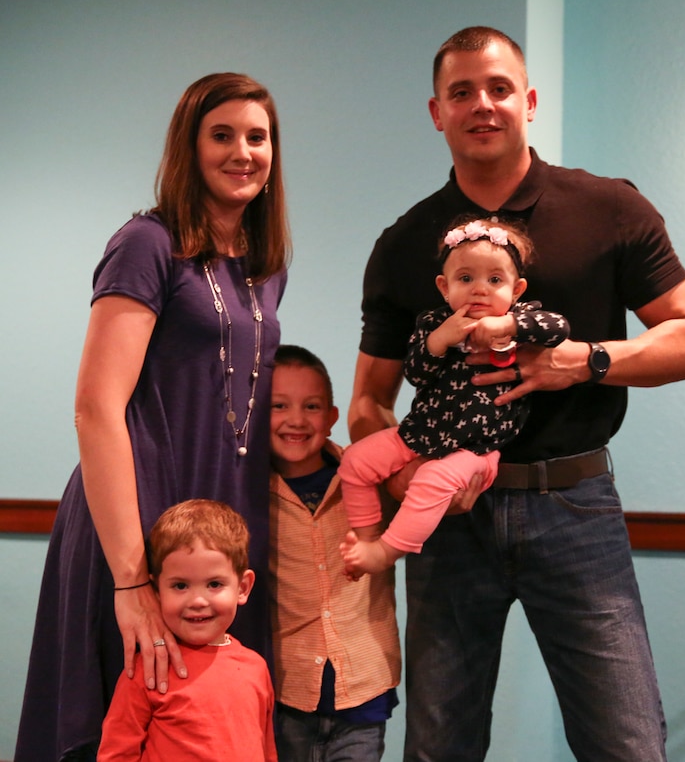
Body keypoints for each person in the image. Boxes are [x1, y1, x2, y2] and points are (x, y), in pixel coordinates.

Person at [349, 26, 685, 762]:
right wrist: (402, 475)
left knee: (628, 744)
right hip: (448, 524)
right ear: (436, 112)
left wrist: (586, 360)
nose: (481, 105)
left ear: (530, 101)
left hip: (574, 507)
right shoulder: (403, 241)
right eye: (461, 92)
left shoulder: (612, 208)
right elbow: (366, 403)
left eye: (498, 88)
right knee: (437, 747)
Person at [15, 72, 291, 762]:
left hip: (220, 527)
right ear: (188, 148)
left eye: (257, 137)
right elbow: (95, 407)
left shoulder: (264, 265)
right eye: (221, 135)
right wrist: (132, 577)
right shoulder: (148, 242)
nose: (242, 152)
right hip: (139, 521)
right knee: (125, 724)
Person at [339, 217, 569, 577]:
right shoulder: (433, 323)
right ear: (444, 287)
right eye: (466, 279)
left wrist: (510, 326)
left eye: (495, 280)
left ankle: (386, 553)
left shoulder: (521, 318)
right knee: (355, 460)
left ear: (517, 289)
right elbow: (415, 372)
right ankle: (368, 536)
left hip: (477, 450)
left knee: (432, 479)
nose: (480, 289)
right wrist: (439, 341)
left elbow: (558, 328)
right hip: (421, 433)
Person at [268, 345, 400, 762]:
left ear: (331, 417)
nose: (296, 419)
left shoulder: (368, 479)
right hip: (285, 696)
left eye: (311, 406)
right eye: (278, 405)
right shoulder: (248, 495)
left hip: (363, 692)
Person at [97, 498, 277, 761]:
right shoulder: (148, 669)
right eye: (180, 586)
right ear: (156, 591)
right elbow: (116, 754)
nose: (197, 601)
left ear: (242, 587)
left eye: (214, 584)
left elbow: (266, 750)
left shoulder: (256, 669)